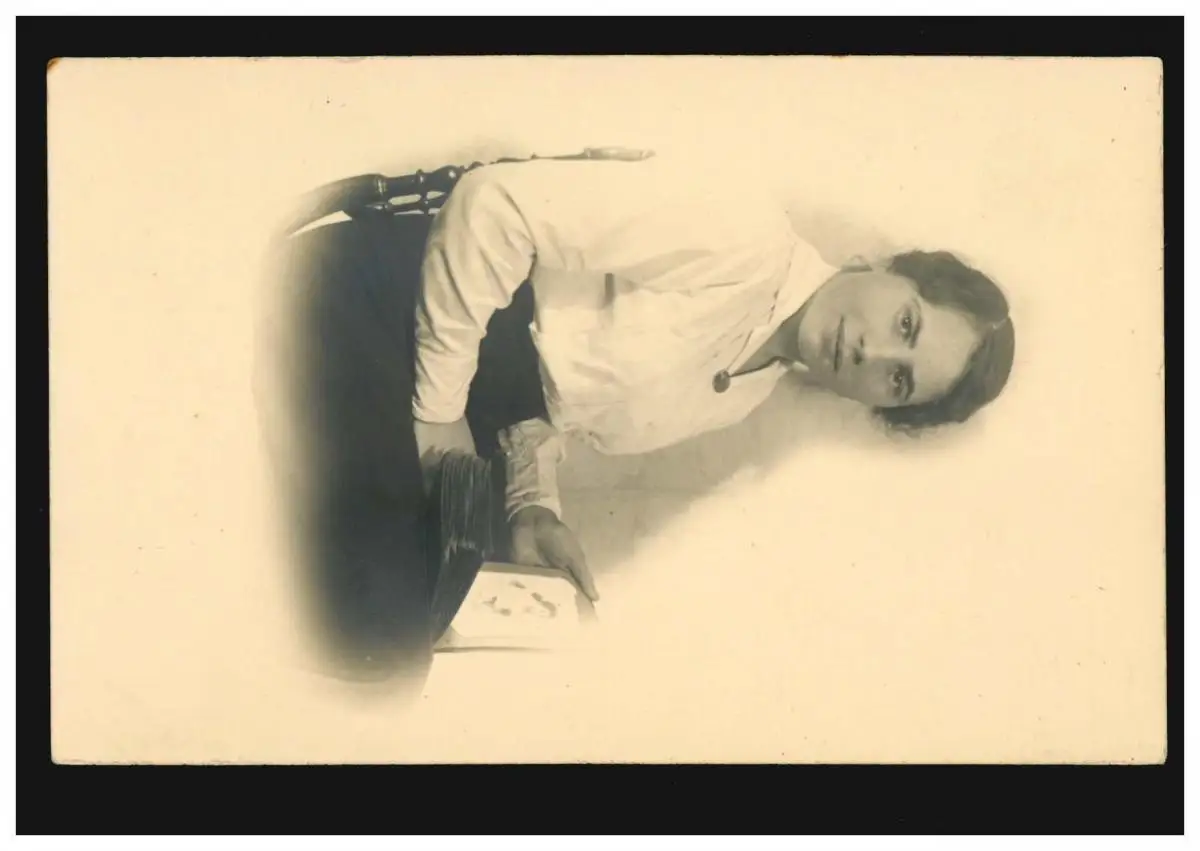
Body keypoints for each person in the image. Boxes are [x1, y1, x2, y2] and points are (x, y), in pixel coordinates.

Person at [258, 150, 1015, 693]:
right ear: (884, 268)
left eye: (898, 380)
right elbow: (494, 206)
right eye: (906, 323)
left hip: (448, 384)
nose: (874, 352)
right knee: (383, 626)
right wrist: (437, 413)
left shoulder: (746, 394)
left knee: (465, 631)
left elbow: (542, 394)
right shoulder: (743, 234)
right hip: (384, 295)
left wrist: (531, 507)